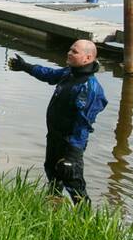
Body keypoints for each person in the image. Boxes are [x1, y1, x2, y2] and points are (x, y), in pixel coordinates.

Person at [8, 40, 108, 203]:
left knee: (74, 183)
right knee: (53, 175)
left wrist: (71, 156)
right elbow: (48, 74)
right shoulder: (69, 73)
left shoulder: (90, 88)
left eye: (74, 52)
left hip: (70, 144)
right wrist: (25, 67)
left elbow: (83, 125)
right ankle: (53, 208)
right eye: (69, 49)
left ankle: (85, 221)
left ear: (87, 58)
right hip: (54, 137)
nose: (69, 53)